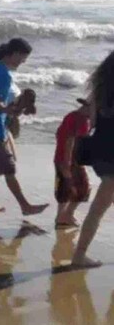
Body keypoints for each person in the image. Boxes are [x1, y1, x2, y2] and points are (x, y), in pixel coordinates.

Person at [0, 38, 49, 216]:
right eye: (23, 57)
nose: (24, 61)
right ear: (14, 53)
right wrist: (8, 108)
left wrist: (9, 107)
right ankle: (25, 206)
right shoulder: (4, 75)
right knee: (9, 169)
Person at [72, 51, 114, 268]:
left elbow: (91, 119)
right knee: (98, 208)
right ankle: (79, 255)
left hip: (101, 151)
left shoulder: (99, 90)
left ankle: (79, 254)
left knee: (99, 208)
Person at [53, 98, 92, 228]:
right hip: (70, 160)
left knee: (65, 188)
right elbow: (70, 140)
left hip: (60, 157)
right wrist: (67, 163)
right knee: (82, 188)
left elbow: (59, 134)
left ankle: (61, 216)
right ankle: (66, 215)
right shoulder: (82, 120)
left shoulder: (71, 115)